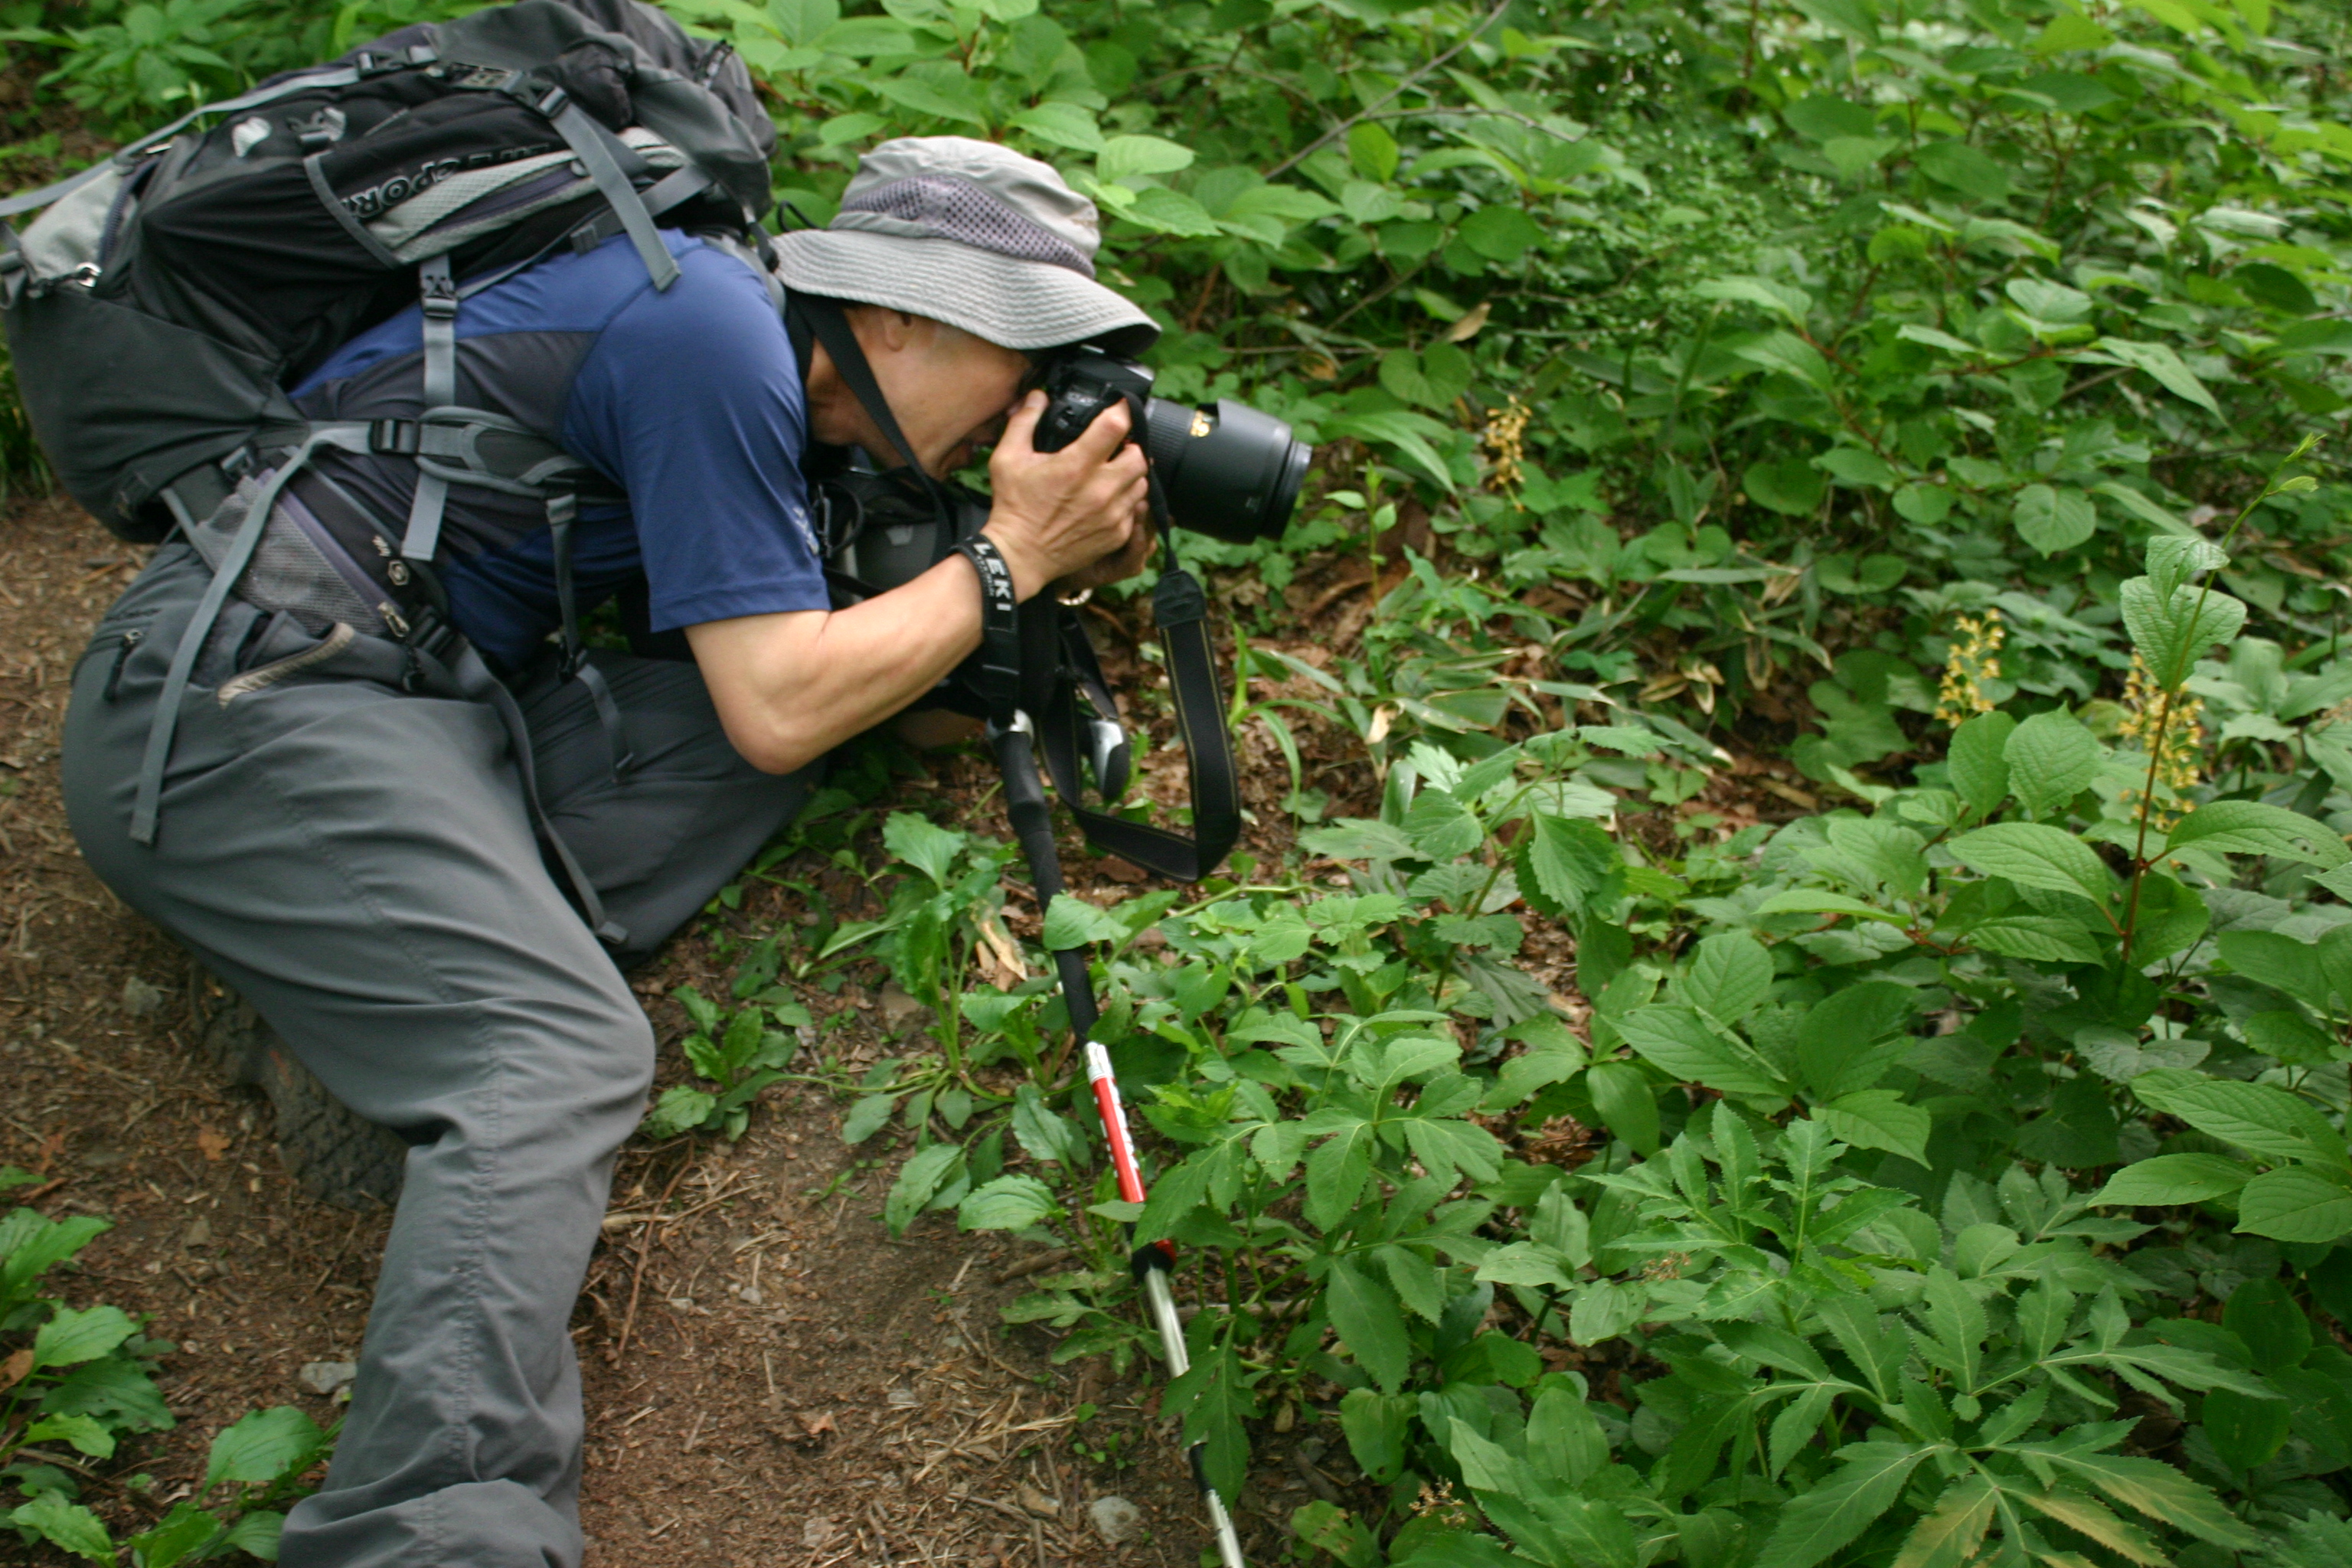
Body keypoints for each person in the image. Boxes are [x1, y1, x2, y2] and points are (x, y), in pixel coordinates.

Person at [60, 135, 1155, 1568]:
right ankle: (428, 1534)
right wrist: (1010, 551)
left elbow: (889, 707)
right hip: (246, 708)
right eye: (1018, 362)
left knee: (834, 707)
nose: (1027, 406)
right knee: (552, 1053)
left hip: (415, 712)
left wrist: (1026, 567)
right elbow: (776, 707)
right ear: (900, 315)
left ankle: (341, 987)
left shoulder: (776, 379)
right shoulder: (704, 332)